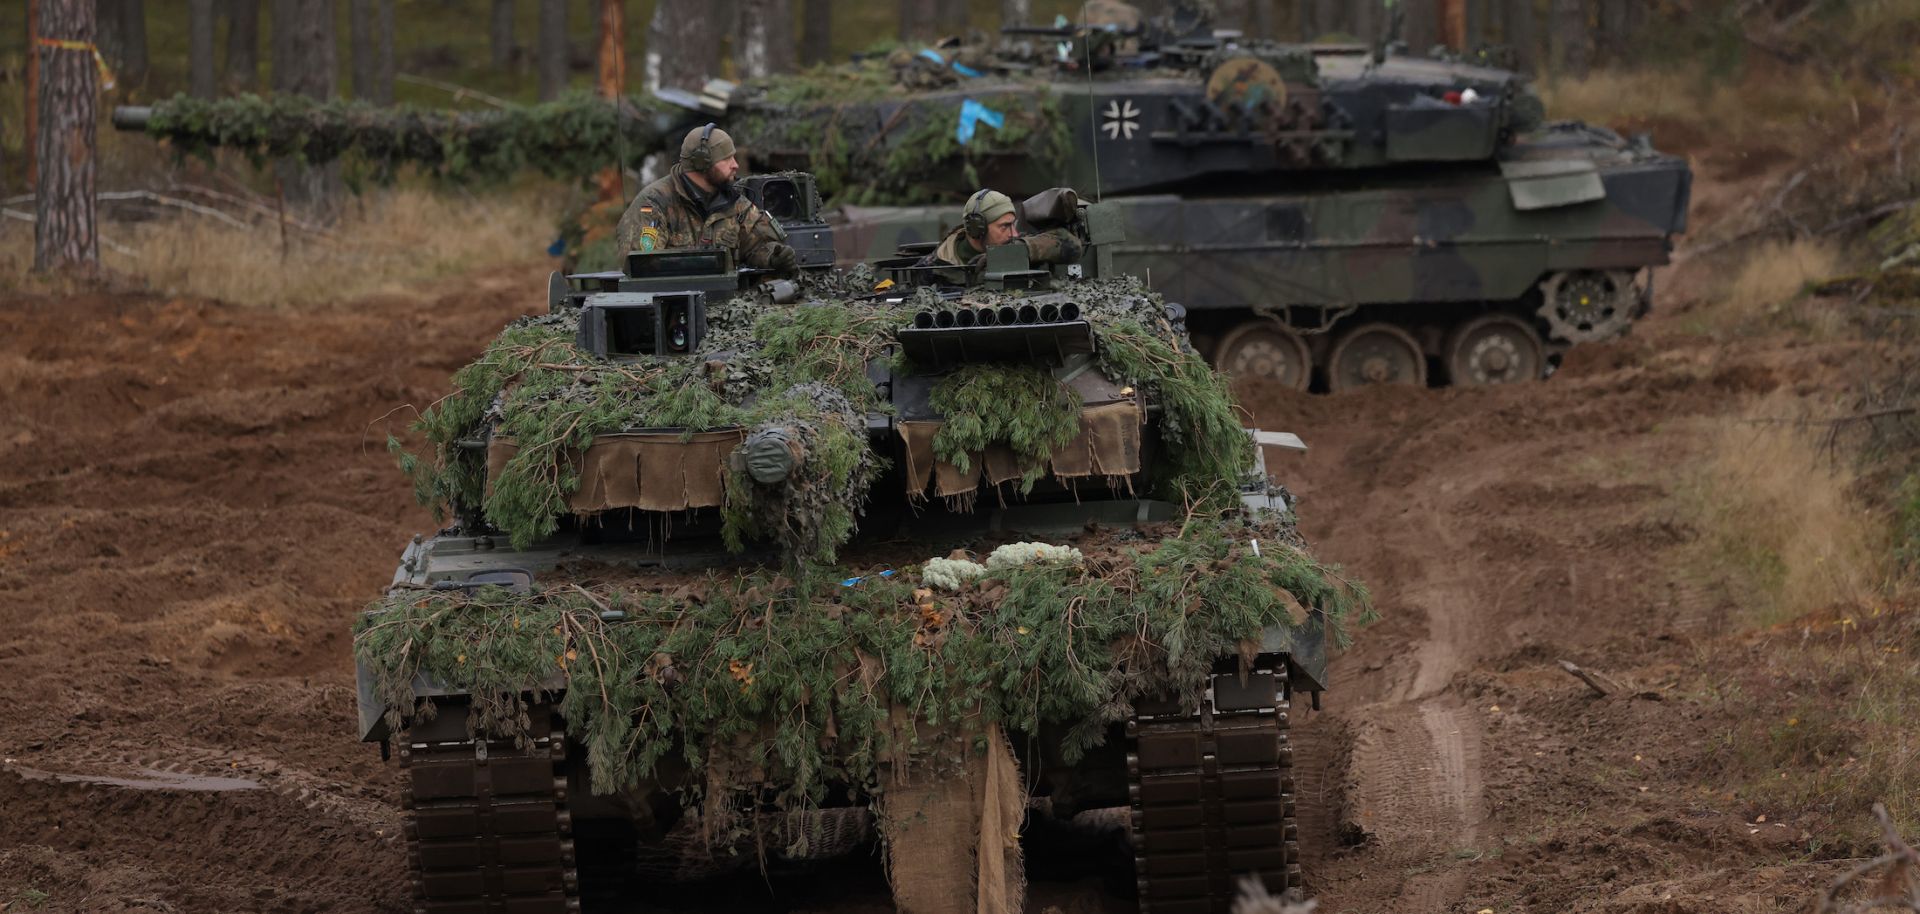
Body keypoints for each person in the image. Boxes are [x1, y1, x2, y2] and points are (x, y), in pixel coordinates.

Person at [615, 124, 800, 277]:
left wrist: (774, 256)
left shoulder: (734, 201)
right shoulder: (654, 204)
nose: (735, 165)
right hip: (673, 308)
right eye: (726, 158)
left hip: (728, 306)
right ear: (702, 163)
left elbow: (756, 245)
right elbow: (641, 265)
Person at [918, 188, 1083, 285]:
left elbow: (1071, 245)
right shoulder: (932, 269)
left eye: (1013, 224)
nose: (1014, 233)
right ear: (977, 229)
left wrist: (1022, 250)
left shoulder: (1016, 244)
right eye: (1005, 226)